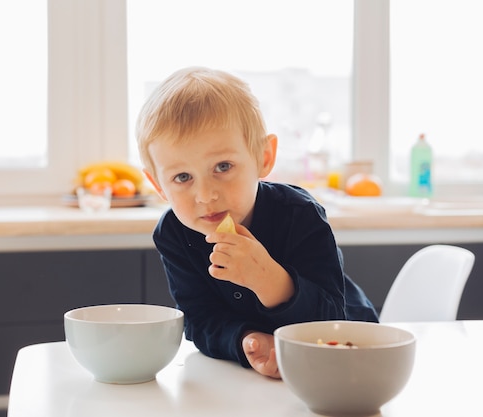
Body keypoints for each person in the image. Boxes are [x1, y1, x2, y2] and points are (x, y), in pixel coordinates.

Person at [136, 67, 378, 379]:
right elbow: (200, 321)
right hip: (259, 378)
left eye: (223, 166)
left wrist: (268, 280)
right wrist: (245, 340)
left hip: (346, 357)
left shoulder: (300, 214)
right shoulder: (173, 234)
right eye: (182, 177)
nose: (206, 195)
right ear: (158, 185)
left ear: (264, 158)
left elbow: (331, 316)